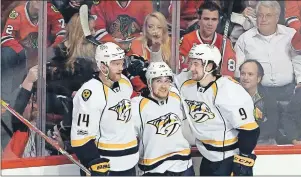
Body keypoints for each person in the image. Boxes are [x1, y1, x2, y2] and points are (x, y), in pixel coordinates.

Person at [175, 44, 260, 176]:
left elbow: (250, 130)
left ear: (209, 66)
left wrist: (243, 158)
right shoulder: (186, 81)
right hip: (208, 158)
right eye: (190, 62)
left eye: (196, 64)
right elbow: (165, 82)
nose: (191, 68)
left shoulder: (229, 90)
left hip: (229, 159)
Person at [71, 42, 139, 176]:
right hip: (107, 165)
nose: (120, 68)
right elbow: (80, 136)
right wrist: (93, 161)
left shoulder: (125, 82)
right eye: (115, 64)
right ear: (102, 66)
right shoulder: (90, 93)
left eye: (121, 63)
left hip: (130, 161)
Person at [132, 62, 194, 176]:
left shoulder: (176, 95)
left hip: (183, 164)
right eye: (158, 81)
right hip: (153, 169)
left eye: (167, 81)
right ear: (150, 83)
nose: (164, 86)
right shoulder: (137, 106)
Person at [179, 1, 236, 77]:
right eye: (206, 19)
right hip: (192, 84)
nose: (210, 23)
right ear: (199, 20)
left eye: (214, 19)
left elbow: (229, 74)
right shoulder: (187, 40)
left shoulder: (226, 43)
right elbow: (183, 70)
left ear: (218, 21)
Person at [239, 60, 279, 145]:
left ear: (258, 78)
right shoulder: (231, 95)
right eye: (243, 74)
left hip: (263, 140)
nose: (245, 78)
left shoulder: (269, 97)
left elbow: (272, 125)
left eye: (250, 74)